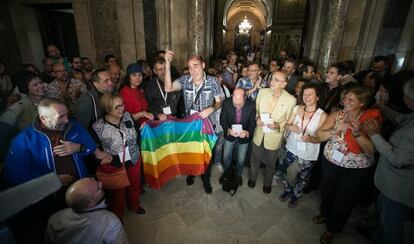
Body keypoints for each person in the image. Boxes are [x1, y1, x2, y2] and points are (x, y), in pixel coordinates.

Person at [313, 86, 383, 244]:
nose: (345, 101)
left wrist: (357, 132)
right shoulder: (337, 115)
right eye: (345, 98)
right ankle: (324, 214)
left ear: (362, 103)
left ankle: (332, 229)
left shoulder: (371, 118)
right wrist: (334, 131)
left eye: (351, 99)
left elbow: (371, 149)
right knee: (327, 191)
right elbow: (319, 135)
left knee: (344, 199)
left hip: (356, 169)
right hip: (331, 162)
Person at [362, 79, 414, 244]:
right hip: (388, 185)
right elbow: (402, 119)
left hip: (400, 192)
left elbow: (398, 159)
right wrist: (382, 106)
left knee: (394, 230)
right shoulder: (411, 116)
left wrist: (374, 135)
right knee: (384, 220)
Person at [164, 50, 222, 194]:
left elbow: (219, 102)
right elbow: (168, 87)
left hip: (208, 125)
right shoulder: (185, 80)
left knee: (207, 155)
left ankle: (206, 179)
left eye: (196, 66)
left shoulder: (213, 81)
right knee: (191, 152)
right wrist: (167, 63)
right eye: (189, 67)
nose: (193, 70)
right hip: (190, 125)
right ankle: (191, 173)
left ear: (203, 65)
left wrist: (211, 109)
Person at [92, 93, 145, 220]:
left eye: (122, 104)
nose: (122, 108)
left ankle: (134, 205)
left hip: (133, 158)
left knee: (134, 185)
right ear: (107, 109)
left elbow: (136, 132)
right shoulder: (97, 127)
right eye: (117, 107)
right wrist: (99, 159)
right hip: (114, 165)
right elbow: (94, 148)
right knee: (117, 193)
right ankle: (118, 215)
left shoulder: (127, 116)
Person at [247, 71, 296, 194]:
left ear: (284, 84)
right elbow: (256, 109)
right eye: (272, 79)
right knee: (254, 159)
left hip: (274, 136)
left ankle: (267, 183)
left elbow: (289, 120)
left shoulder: (291, 100)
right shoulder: (263, 92)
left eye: (276, 80)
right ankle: (252, 178)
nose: (271, 82)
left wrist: (278, 125)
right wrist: (257, 118)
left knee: (270, 163)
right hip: (259, 133)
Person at [279, 83, 327, 208]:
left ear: (317, 97)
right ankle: (288, 190)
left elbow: (321, 138)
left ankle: (295, 195)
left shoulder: (322, 115)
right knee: (289, 172)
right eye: (305, 94)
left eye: (310, 94)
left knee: (303, 177)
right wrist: (291, 127)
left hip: (307, 153)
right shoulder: (297, 108)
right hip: (291, 148)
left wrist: (311, 138)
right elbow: (286, 125)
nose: (306, 97)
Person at [46, 178, 129, 244]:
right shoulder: (110, 223)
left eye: (93, 179)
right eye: (98, 188)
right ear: (91, 204)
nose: (101, 183)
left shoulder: (54, 219)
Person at [220, 88, 256, 185]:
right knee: (226, 156)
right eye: (234, 103)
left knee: (241, 159)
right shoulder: (227, 103)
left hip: (244, 137)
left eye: (239, 104)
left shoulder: (251, 105)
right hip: (230, 135)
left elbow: (253, 123)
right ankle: (227, 174)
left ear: (244, 99)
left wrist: (247, 132)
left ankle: (238, 174)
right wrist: (228, 130)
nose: (236, 106)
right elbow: (222, 120)